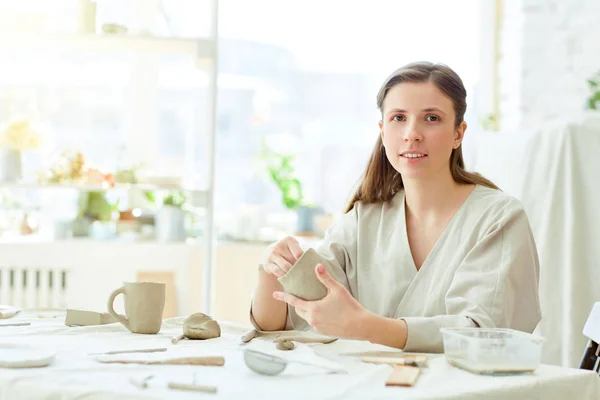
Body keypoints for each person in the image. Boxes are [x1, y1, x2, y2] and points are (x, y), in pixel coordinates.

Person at [249, 61, 542, 353]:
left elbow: (484, 334)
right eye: (399, 118)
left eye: (431, 118)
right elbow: (279, 322)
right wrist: (270, 268)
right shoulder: (364, 219)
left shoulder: (499, 218)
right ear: (383, 130)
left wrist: (366, 327)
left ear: (458, 133)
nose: (411, 133)